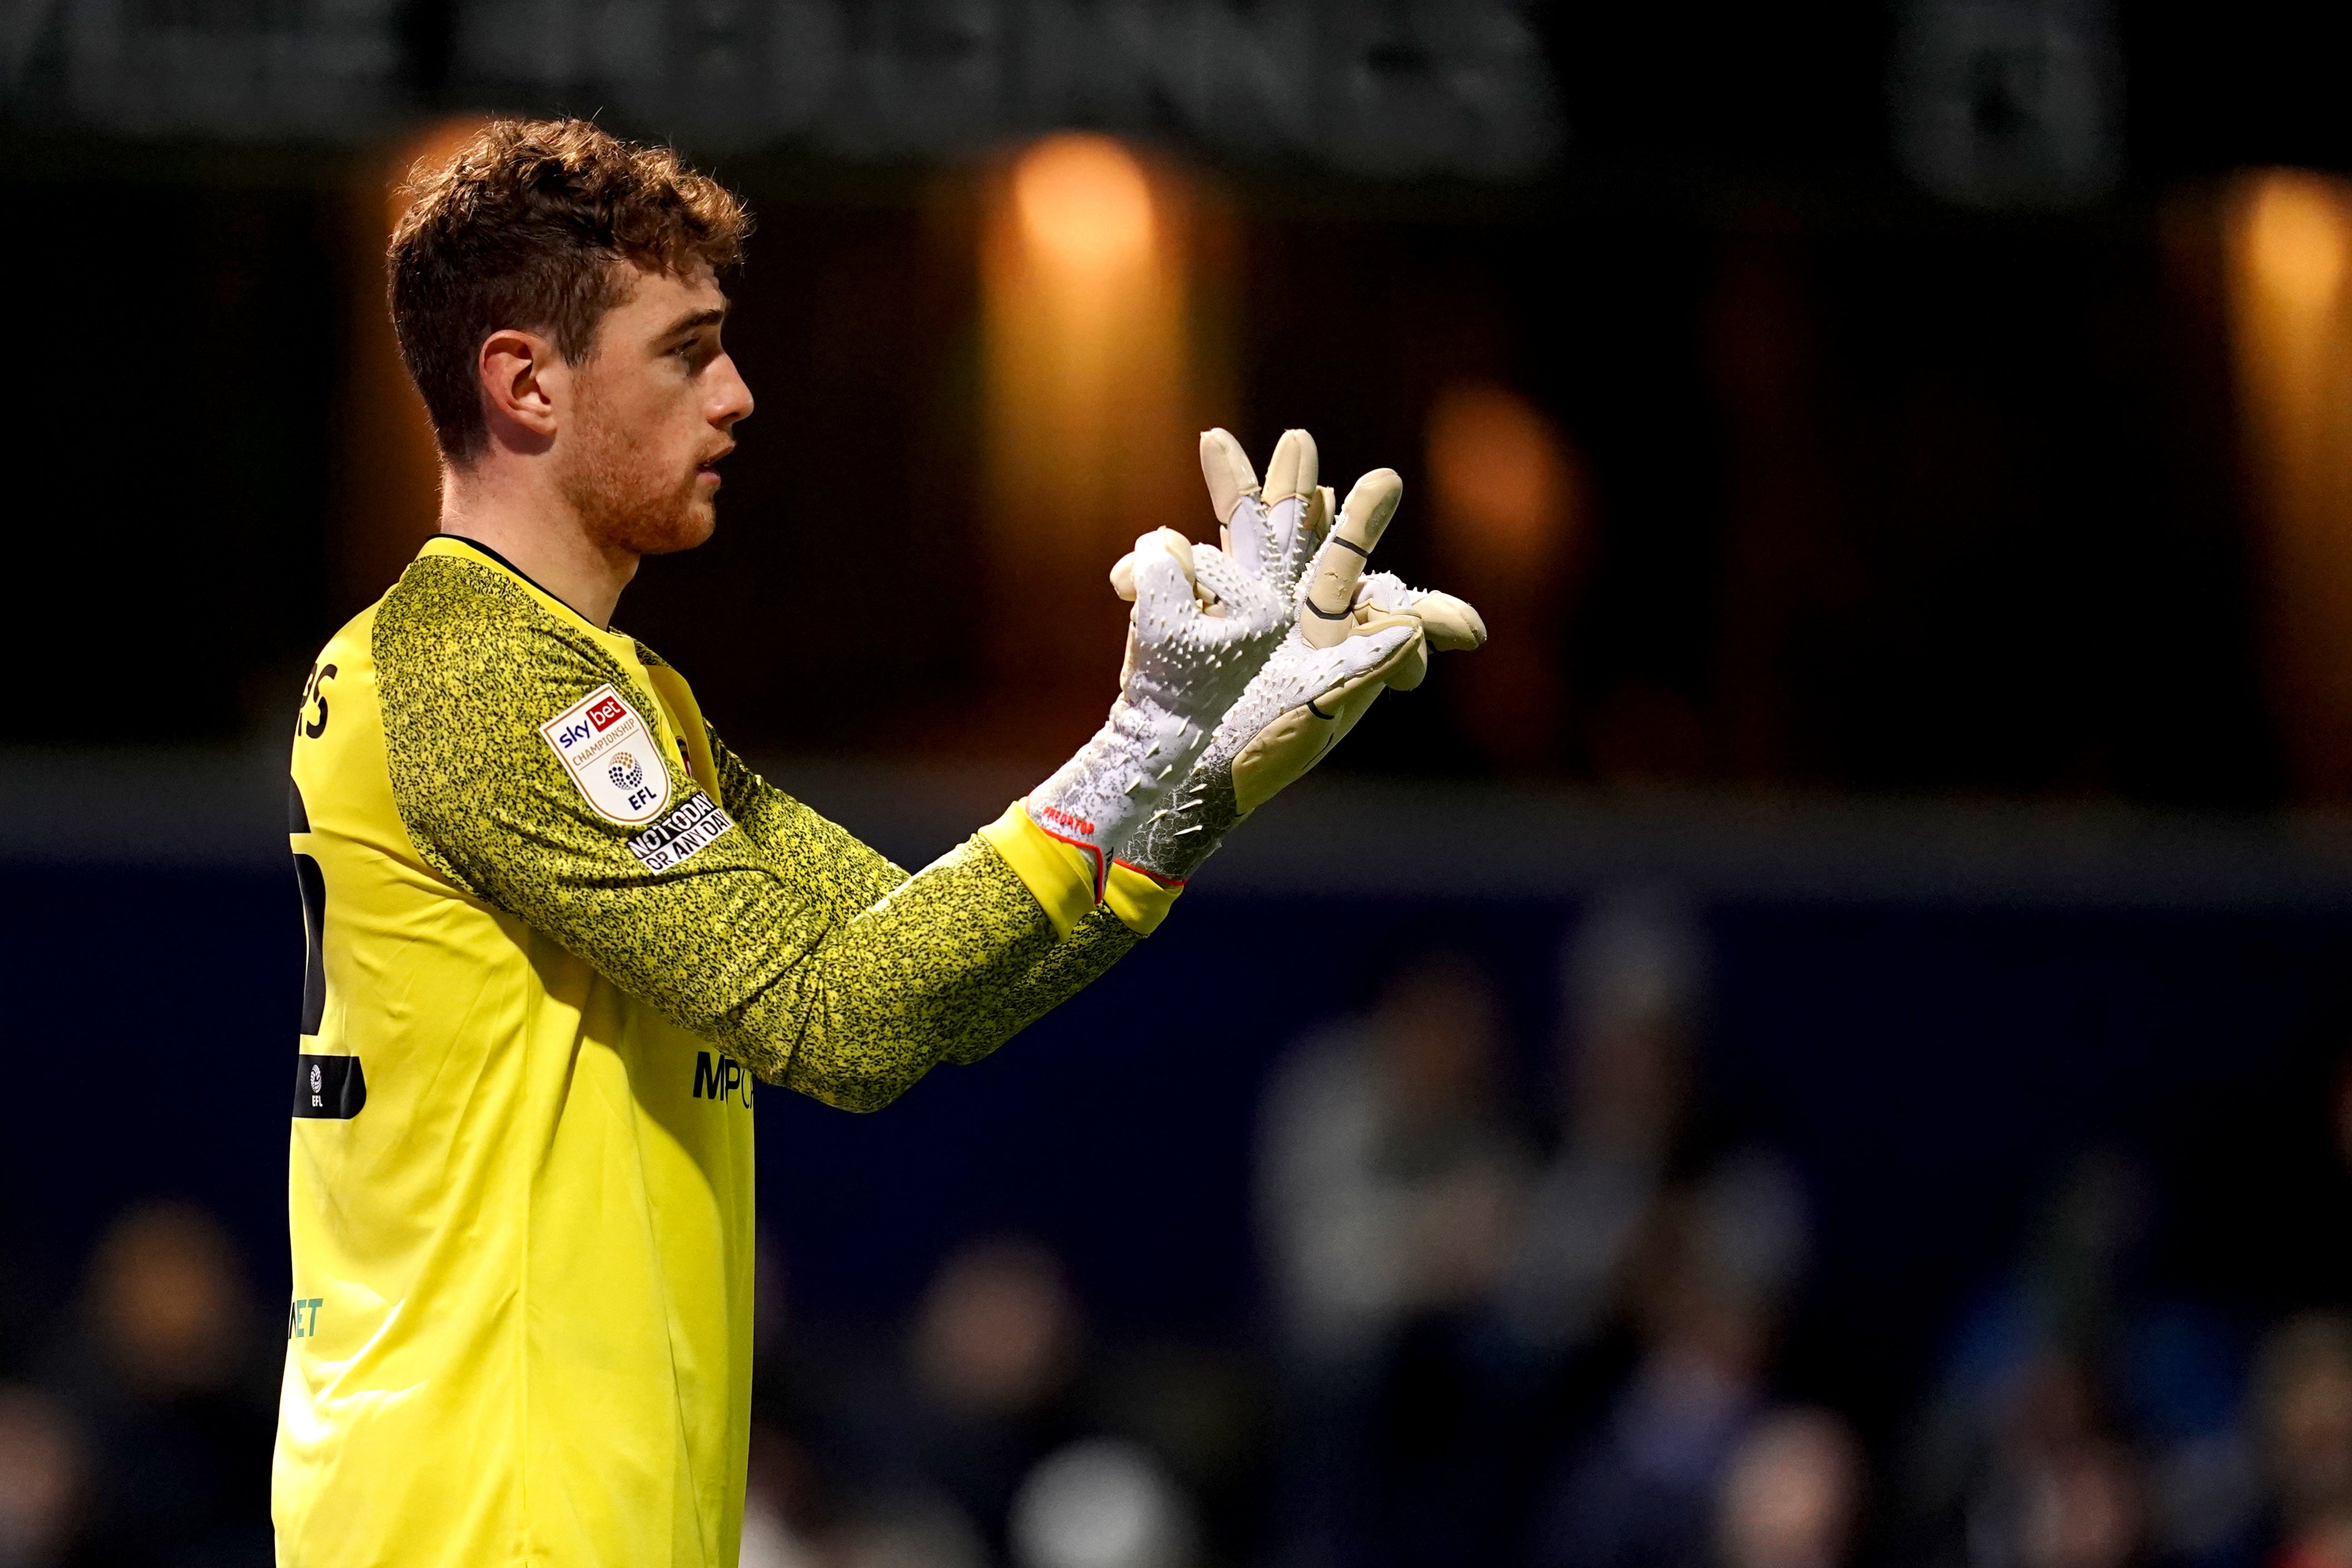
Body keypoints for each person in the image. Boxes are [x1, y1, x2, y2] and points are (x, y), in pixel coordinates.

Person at [275, 118, 1484, 1567]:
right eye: (686, 349)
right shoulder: (479, 669)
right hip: (480, 1523)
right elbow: (836, 1018)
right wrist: (1146, 735)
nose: (739, 394)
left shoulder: (620, 691)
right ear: (526, 380)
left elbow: (911, 966)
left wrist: (1209, 770)